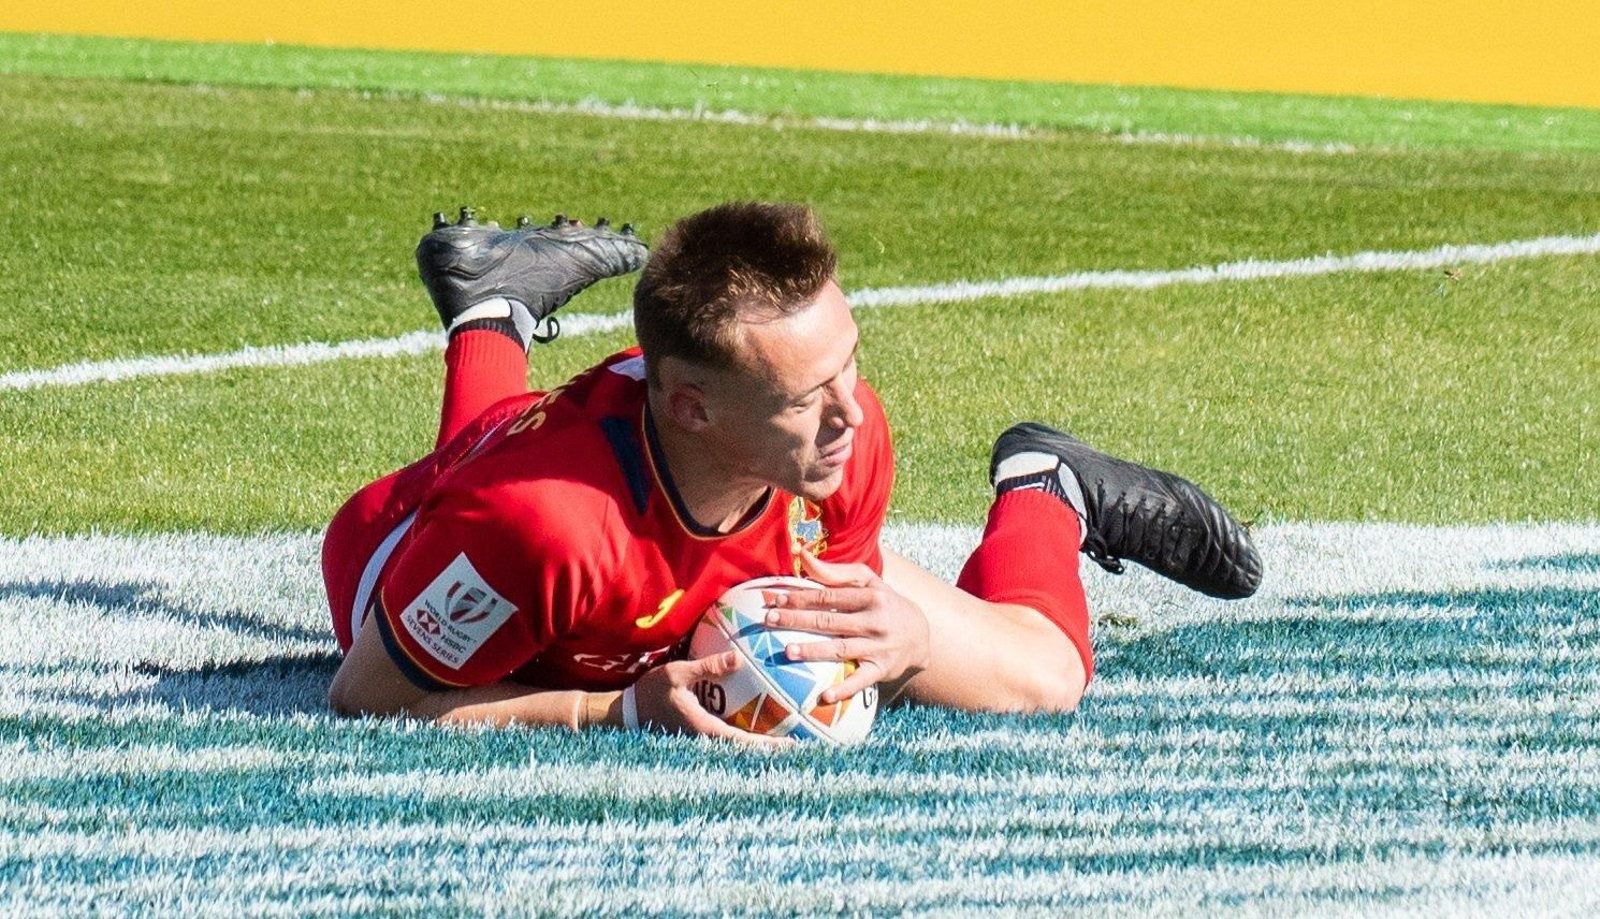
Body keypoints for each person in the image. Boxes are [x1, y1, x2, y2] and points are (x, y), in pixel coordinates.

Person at [323, 202, 1261, 743]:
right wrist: (609, 704)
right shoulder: (538, 530)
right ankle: (492, 314)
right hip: (427, 544)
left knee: (1047, 677)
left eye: (849, 361)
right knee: (508, 476)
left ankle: (1047, 486)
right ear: (692, 405)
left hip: (658, 518)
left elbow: (835, 602)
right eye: (811, 391)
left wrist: (905, 644)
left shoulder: (832, 444)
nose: (854, 409)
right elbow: (369, 701)